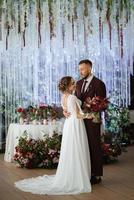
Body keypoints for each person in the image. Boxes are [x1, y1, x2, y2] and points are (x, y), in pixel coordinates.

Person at [15, 76, 92, 195]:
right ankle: (77, 177)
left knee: (71, 149)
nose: (75, 85)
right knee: (76, 148)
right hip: (75, 124)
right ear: (67, 86)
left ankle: (72, 174)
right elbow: (77, 115)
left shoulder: (64, 97)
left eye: (74, 83)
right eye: (72, 84)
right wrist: (90, 116)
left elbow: (67, 111)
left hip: (69, 124)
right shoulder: (71, 97)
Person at [64, 60, 106, 184]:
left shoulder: (99, 83)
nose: (80, 72)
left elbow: (103, 104)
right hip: (79, 121)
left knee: (94, 146)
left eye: (82, 69)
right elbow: (72, 101)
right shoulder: (78, 83)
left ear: (90, 68)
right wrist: (65, 110)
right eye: (79, 69)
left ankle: (96, 174)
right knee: (83, 147)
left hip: (92, 120)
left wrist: (93, 107)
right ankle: (85, 172)